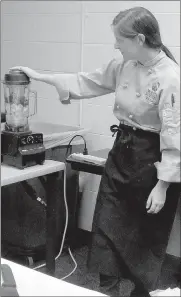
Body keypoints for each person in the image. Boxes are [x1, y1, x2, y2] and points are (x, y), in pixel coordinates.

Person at [11, 6, 180, 297]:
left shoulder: (170, 77)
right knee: (104, 225)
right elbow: (87, 80)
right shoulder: (125, 65)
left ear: (139, 39)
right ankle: (107, 291)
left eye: (120, 40)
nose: (115, 45)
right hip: (122, 153)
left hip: (152, 161)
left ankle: (140, 292)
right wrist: (39, 76)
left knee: (145, 234)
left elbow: (174, 135)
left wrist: (163, 185)